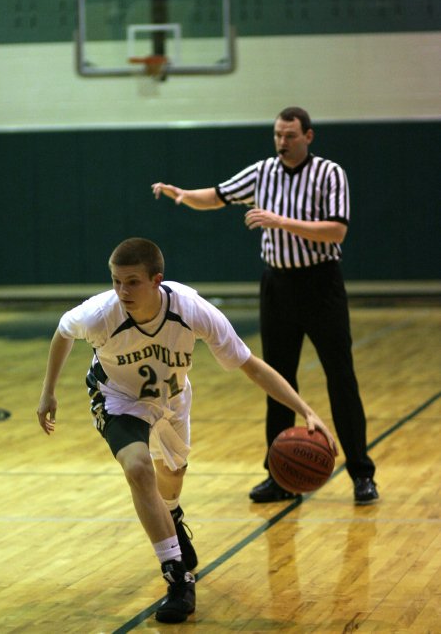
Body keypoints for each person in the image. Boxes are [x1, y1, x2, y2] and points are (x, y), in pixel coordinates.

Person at [37, 237, 337, 624]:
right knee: (138, 468)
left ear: (156, 280)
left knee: (171, 479)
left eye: (132, 282)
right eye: (115, 281)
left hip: (173, 399)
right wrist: (48, 393)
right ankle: (178, 577)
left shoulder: (192, 310)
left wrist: (305, 410)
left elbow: (251, 365)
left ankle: (173, 517)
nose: (122, 291)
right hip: (118, 398)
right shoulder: (99, 314)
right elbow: (63, 332)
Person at [152, 105, 379, 506]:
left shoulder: (330, 173)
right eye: (277, 134)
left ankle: (362, 473)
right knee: (278, 379)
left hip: (321, 282)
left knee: (340, 377)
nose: (282, 142)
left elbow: (336, 229)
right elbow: (220, 195)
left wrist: (280, 221)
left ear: (308, 136)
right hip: (278, 286)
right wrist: (185, 196)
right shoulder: (262, 172)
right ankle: (280, 477)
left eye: (290, 135)